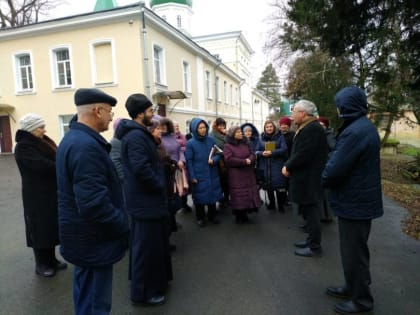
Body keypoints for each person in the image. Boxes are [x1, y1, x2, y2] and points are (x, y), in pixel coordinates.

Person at [56, 88, 129, 315]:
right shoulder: (85, 146)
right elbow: (93, 205)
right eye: (109, 111)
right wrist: (123, 223)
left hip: (84, 239)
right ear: (97, 111)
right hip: (93, 240)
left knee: (87, 296)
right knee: (95, 304)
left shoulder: (75, 139)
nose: (110, 116)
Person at [322, 86, 383, 314]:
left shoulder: (356, 131)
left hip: (355, 202)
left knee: (354, 253)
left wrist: (324, 176)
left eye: (340, 104)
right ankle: (352, 287)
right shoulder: (361, 127)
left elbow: (335, 169)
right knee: (354, 251)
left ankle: (362, 300)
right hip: (357, 200)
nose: (338, 109)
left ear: (346, 106)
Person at [116, 94, 172, 306]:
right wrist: (159, 186)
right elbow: (142, 169)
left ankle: (154, 284)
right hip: (145, 202)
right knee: (145, 249)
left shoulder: (138, 134)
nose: (153, 114)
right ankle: (143, 293)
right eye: (150, 111)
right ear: (140, 113)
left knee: (151, 246)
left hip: (146, 201)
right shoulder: (136, 137)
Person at [14, 113, 67, 278]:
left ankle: (51, 259)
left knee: (50, 227)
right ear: (31, 129)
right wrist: (59, 166)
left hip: (49, 192)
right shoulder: (23, 147)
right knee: (39, 229)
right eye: (41, 127)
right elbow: (40, 166)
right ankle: (41, 263)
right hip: (36, 194)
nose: (44, 129)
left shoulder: (42, 141)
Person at [282, 100, 328, 257]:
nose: (292, 115)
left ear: (302, 113)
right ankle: (310, 240)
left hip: (309, 180)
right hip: (306, 178)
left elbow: (303, 154)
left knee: (312, 214)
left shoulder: (312, 129)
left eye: (294, 111)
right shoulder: (308, 126)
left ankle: (314, 247)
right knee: (309, 214)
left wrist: (288, 166)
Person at [185, 118, 223, 227]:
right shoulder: (190, 143)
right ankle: (200, 217)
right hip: (199, 174)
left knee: (212, 194)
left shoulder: (211, 140)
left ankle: (212, 215)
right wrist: (192, 176)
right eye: (200, 128)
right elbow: (189, 161)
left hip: (212, 173)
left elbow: (218, 153)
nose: (203, 130)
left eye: (204, 127)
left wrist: (214, 160)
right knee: (199, 197)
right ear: (195, 129)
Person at [224, 126, 261, 223]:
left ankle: (245, 215)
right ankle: (239, 216)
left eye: (240, 132)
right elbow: (229, 160)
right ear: (232, 134)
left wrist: (250, 159)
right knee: (238, 195)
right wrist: (244, 161)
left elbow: (252, 154)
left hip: (248, 173)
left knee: (247, 194)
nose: (240, 133)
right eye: (237, 132)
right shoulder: (228, 146)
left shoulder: (246, 143)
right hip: (236, 175)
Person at [256, 120, 288, 212]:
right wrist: (262, 153)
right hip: (265, 166)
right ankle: (272, 203)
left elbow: (284, 149)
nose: (269, 128)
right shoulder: (261, 138)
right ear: (264, 128)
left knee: (279, 186)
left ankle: (281, 204)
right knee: (268, 186)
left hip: (277, 165)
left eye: (270, 126)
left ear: (273, 127)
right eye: (267, 127)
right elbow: (256, 151)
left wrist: (272, 152)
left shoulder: (280, 136)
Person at [317, 116, 336, 222]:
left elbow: (334, 151)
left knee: (326, 193)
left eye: (322, 125)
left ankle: (328, 216)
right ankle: (322, 215)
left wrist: (325, 158)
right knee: (320, 193)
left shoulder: (329, 135)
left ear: (326, 126)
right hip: (319, 167)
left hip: (325, 167)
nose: (321, 127)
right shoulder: (319, 135)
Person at [209, 117, 229, 208]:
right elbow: (212, 147)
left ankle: (226, 197)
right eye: (220, 125)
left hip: (228, 160)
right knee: (220, 181)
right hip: (218, 162)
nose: (222, 127)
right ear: (216, 125)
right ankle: (221, 199)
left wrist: (227, 135)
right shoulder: (212, 134)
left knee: (227, 181)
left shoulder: (226, 134)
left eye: (223, 125)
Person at [173, 120, 192, 212]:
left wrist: (180, 148)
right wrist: (181, 148)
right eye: (174, 126)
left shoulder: (183, 136)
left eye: (177, 126)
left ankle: (184, 204)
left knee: (185, 185)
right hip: (175, 164)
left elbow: (187, 147)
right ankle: (180, 205)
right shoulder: (170, 137)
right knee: (177, 186)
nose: (176, 128)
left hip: (184, 164)